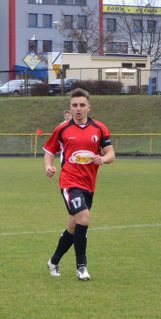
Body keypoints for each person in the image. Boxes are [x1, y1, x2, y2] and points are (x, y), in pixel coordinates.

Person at [43, 88, 115, 281]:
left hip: (89, 185)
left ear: (88, 107)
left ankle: (54, 261)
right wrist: (49, 166)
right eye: (74, 105)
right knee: (83, 217)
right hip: (69, 182)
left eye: (82, 105)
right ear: (70, 108)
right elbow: (49, 150)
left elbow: (111, 153)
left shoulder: (99, 128)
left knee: (73, 226)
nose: (78, 109)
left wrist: (103, 159)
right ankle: (81, 267)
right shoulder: (63, 129)